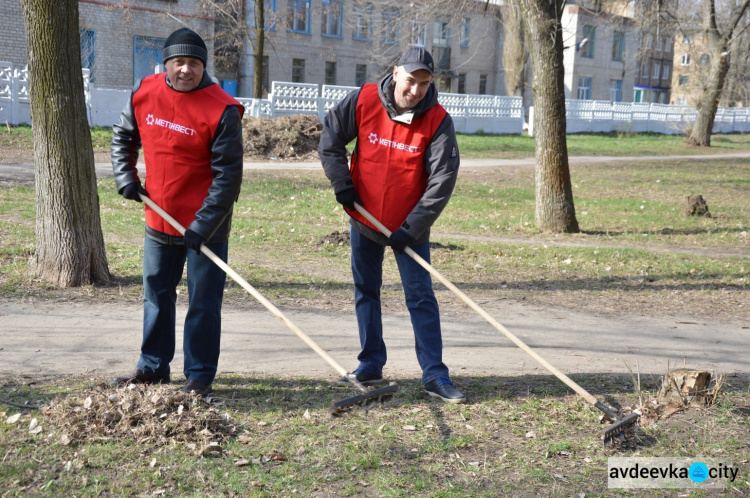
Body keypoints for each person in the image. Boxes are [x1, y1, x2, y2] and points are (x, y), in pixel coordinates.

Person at [318, 47, 464, 403]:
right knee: (366, 290)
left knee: (420, 296)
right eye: (411, 81)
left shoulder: (437, 120)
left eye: (424, 84)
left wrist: (412, 228)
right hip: (364, 218)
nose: (415, 91)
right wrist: (342, 184)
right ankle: (370, 363)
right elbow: (331, 140)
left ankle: (434, 375)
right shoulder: (364, 101)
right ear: (396, 73)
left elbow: (442, 180)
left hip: (409, 227)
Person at [109, 28, 244, 396]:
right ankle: (152, 366)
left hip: (206, 227)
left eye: (195, 63)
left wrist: (203, 225)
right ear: (166, 63)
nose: (186, 69)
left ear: (204, 67)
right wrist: (126, 175)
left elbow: (228, 176)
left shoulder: (222, 109)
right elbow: (123, 136)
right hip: (159, 216)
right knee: (156, 293)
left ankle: (199, 375)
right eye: (179, 62)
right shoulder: (144, 92)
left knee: (203, 302)